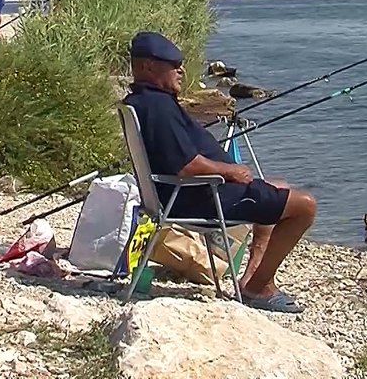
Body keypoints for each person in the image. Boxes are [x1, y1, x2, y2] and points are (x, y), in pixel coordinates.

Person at [123, 31, 317, 314]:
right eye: (173, 64)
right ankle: (257, 287)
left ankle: (255, 277)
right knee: (305, 206)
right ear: (148, 67)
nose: (181, 70)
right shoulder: (158, 107)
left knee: (279, 186)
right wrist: (230, 171)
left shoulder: (146, 101)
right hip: (202, 197)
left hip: (191, 193)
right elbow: (187, 166)